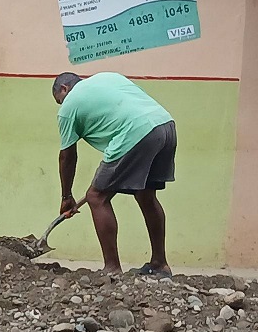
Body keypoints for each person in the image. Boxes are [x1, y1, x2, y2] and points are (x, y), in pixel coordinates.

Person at [53, 71, 177, 277]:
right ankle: (160, 264)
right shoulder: (107, 77)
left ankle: (112, 268)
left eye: (59, 100)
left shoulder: (68, 107)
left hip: (135, 132)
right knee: (146, 195)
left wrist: (66, 196)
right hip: (165, 126)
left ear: (64, 89)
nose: (61, 104)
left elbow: (67, 156)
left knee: (96, 197)